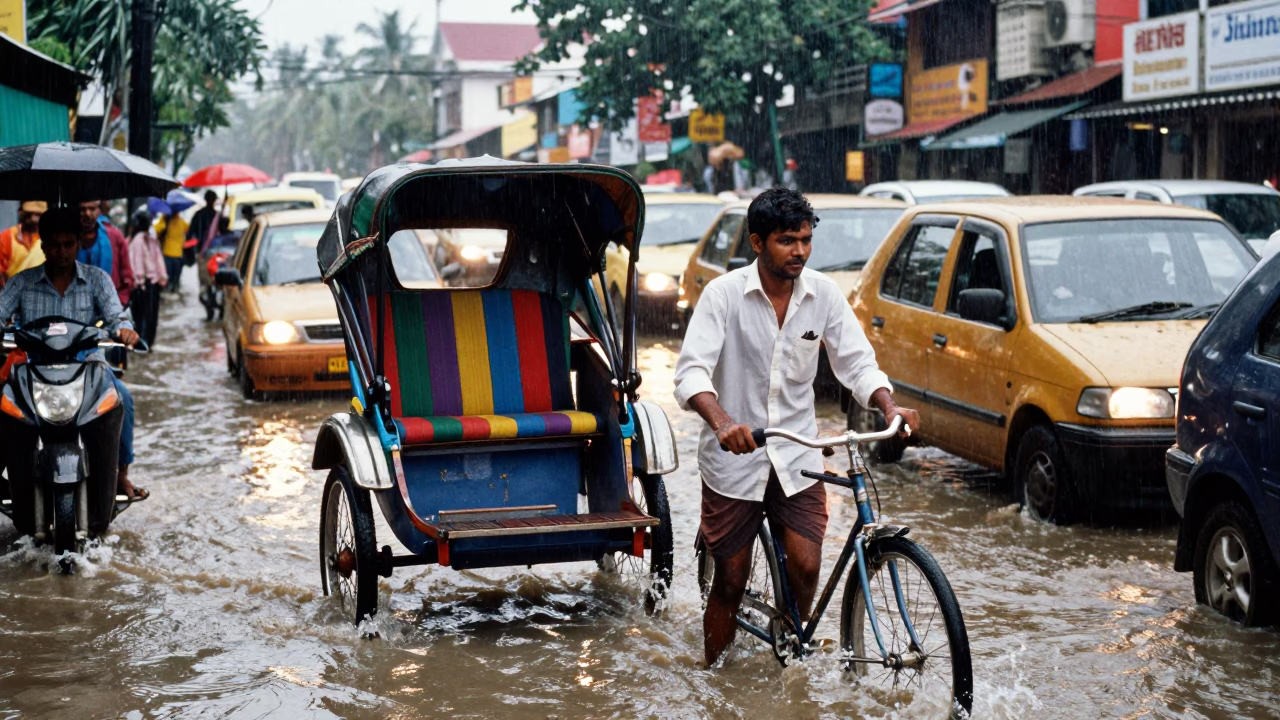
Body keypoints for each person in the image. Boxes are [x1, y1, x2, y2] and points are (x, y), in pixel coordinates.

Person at [673, 187, 919, 667]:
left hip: (798, 453)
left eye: (806, 240)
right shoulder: (723, 295)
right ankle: (712, 680)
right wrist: (723, 422)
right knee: (731, 578)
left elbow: (857, 364)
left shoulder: (823, 294)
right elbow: (691, 373)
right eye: (788, 240)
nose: (800, 251)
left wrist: (889, 407)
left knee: (806, 565)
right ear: (757, 242)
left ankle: (789, 648)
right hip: (734, 459)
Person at [0, 206, 148, 506]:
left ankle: (119, 474)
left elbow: (115, 317)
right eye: (54, 245)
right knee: (4, 406)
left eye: (68, 244)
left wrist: (124, 331)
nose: (62, 252)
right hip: (34, 370)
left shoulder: (97, 280)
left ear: (77, 244)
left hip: (88, 369)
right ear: (43, 246)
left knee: (124, 400)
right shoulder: (22, 282)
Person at [79, 199, 134, 307]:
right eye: (82, 209)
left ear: (99, 210)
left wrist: (121, 302)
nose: (87, 214)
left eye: (92, 209)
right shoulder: (68, 239)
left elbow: (127, 276)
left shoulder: (114, 236)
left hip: (110, 307)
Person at [128, 208, 167, 348]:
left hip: (151, 282)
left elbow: (157, 259)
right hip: (144, 284)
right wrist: (140, 282)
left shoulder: (151, 238)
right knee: (144, 315)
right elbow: (137, 264)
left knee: (149, 315)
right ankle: (144, 343)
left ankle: (146, 343)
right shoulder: (138, 241)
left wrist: (162, 277)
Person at [0, 201, 46, 285]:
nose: (35, 219)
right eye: (31, 214)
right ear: (21, 213)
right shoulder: (7, 237)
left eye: (39, 215)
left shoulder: (49, 239)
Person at [159, 207, 189, 293]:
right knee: (170, 276)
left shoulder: (180, 221)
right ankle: (170, 288)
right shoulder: (165, 220)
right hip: (169, 253)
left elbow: (188, 230)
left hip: (176, 253)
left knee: (173, 276)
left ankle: (173, 288)